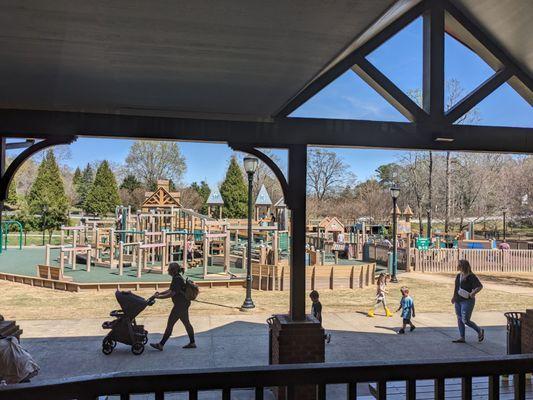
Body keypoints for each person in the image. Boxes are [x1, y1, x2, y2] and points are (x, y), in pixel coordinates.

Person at [150, 262, 196, 350]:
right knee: (186, 323)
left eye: (169, 269)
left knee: (170, 324)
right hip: (183, 304)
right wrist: (159, 294)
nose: (168, 271)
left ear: (173, 271)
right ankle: (192, 342)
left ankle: (161, 344)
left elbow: (171, 293)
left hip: (180, 305)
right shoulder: (177, 277)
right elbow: (170, 290)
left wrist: (158, 297)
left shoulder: (177, 279)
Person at [452, 259, 484, 343]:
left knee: (465, 320)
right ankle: (462, 337)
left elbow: (480, 286)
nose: (457, 266)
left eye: (459, 265)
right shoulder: (459, 276)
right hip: (458, 300)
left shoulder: (471, 276)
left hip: (467, 301)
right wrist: (453, 297)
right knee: (459, 318)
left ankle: (479, 330)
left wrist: (473, 293)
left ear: (463, 266)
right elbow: (456, 288)